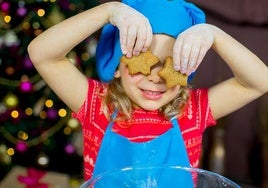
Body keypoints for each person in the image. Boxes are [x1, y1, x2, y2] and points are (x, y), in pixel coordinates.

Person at [27, 0, 268, 184]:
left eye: (173, 64)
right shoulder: (96, 104)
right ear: (117, 66)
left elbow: (260, 81)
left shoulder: (193, 110)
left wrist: (214, 35)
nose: (155, 76)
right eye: (142, 60)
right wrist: (109, 11)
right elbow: (41, 54)